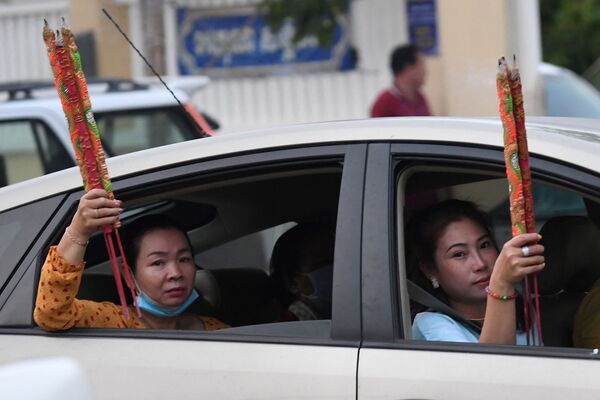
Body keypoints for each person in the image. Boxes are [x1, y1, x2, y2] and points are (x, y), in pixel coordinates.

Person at [34, 188, 228, 331]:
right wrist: (79, 229)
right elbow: (52, 313)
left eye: (184, 259)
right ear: (128, 275)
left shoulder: (216, 331)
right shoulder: (115, 322)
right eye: (158, 263)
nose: (175, 274)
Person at [407, 199, 545, 344]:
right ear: (430, 270)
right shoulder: (432, 324)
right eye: (459, 254)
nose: (480, 264)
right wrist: (502, 284)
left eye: (484, 245)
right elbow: (494, 365)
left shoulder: (528, 311)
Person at [270, 223, 335, 321]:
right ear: (293, 283)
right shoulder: (289, 326)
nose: (333, 267)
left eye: (336, 258)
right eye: (323, 262)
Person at [370, 44, 431, 118]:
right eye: (421, 64)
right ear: (408, 68)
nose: (425, 72)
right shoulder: (384, 103)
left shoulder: (420, 98)